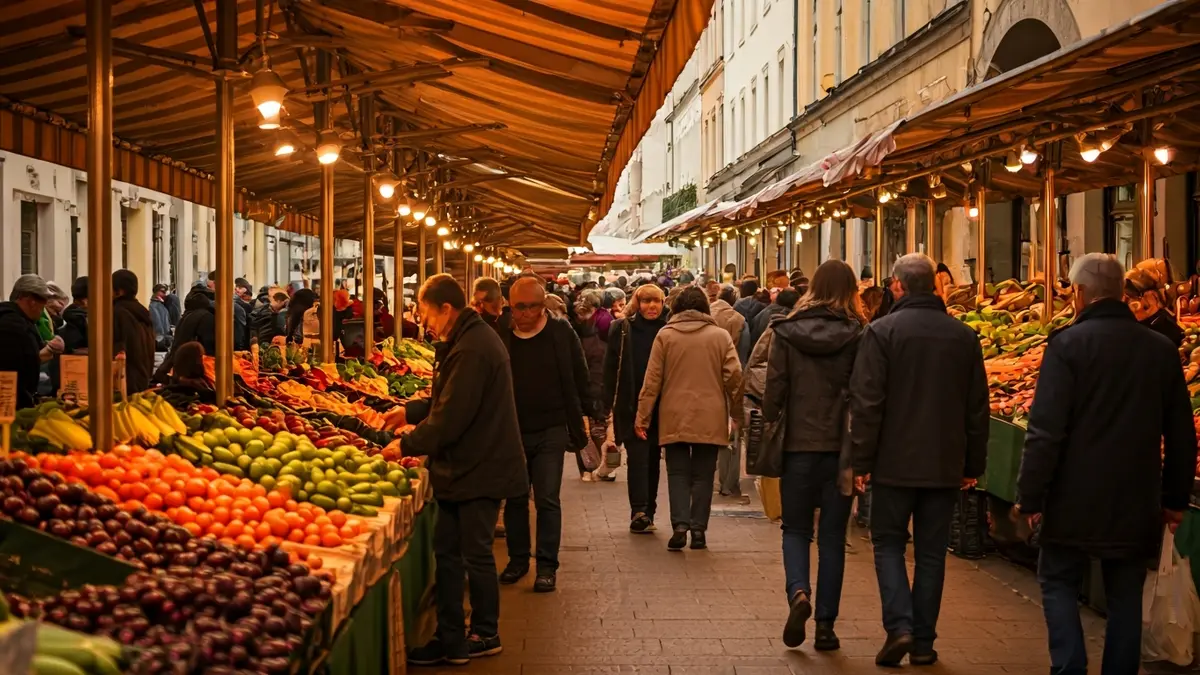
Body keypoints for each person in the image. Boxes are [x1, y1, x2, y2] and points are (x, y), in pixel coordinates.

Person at [1017, 253, 1197, 675]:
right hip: (1135, 497)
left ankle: (1070, 665)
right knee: (1125, 596)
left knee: (1058, 581)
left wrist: (1030, 496)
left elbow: (1045, 431)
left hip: (1071, 497)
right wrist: (1174, 499)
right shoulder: (1161, 350)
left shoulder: (1066, 345)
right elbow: (1182, 434)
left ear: (1080, 294)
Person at [849, 253, 988, 666]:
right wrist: (972, 466)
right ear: (935, 285)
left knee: (888, 543)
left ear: (897, 286)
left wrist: (862, 460)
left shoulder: (881, 332)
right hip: (944, 462)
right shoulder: (963, 336)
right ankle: (924, 642)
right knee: (931, 552)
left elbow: (867, 402)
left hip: (893, 462)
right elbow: (976, 408)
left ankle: (900, 627)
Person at [397, 275, 528, 666]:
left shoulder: (473, 348)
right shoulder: (466, 340)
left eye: (426, 313)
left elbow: (453, 416)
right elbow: (447, 397)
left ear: (446, 309)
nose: (425, 322)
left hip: (480, 466)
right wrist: (407, 411)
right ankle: (451, 636)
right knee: (449, 554)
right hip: (465, 467)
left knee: (475, 555)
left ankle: (485, 633)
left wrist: (406, 443)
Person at [762, 260, 865, 652]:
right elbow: (865, 392)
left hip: (797, 447)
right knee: (834, 538)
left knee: (796, 530)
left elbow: (773, 394)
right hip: (841, 450)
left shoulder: (786, 332)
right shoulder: (858, 333)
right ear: (850, 290)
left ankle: (799, 593)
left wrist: (774, 415)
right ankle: (826, 627)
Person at [497, 277, 594, 592]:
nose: (524, 313)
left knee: (547, 498)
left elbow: (579, 372)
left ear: (543, 305)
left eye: (531, 307)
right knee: (514, 497)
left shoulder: (560, 332)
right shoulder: (501, 333)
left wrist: (592, 413)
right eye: (518, 307)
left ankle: (547, 566)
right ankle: (518, 560)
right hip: (512, 430)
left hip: (552, 427)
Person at [636, 286, 743, 551]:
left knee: (678, 473)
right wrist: (737, 414)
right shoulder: (720, 336)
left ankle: (680, 526)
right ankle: (698, 531)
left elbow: (652, 381)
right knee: (705, 475)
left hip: (674, 414)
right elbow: (735, 378)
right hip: (711, 414)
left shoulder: (665, 335)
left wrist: (643, 417)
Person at [605, 283, 669, 533]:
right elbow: (611, 366)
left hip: (662, 404)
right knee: (638, 458)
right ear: (637, 303)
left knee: (653, 458)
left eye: (656, 301)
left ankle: (648, 511)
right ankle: (639, 510)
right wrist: (607, 401)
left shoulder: (670, 328)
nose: (652, 306)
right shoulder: (622, 329)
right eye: (646, 301)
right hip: (630, 402)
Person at [0, 275, 63, 408]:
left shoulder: (19, 321)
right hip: (11, 405)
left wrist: (46, 346)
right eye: (43, 301)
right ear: (31, 301)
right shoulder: (13, 326)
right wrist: (39, 356)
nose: (44, 307)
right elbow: (13, 367)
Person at [573, 289, 612, 483]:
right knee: (596, 426)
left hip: (591, 381)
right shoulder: (605, 324)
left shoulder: (582, 328)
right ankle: (598, 465)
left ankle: (592, 467)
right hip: (596, 381)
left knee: (588, 426)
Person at [112, 270, 156, 394]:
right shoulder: (142, 312)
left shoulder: (117, 313)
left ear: (119, 291)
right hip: (142, 379)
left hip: (125, 384)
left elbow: (116, 349)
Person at [149, 284, 173, 351]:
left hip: (164, 339)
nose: (164, 294)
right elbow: (157, 324)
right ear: (156, 292)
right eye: (162, 292)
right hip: (160, 340)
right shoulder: (153, 306)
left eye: (165, 292)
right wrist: (160, 339)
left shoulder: (162, 306)